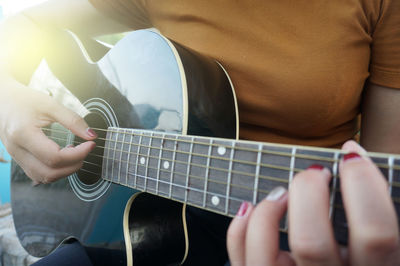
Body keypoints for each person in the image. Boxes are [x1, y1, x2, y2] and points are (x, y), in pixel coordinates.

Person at [0, 0, 399, 265]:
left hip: (295, 230)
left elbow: (385, 183)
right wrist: (7, 101)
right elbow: (23, 25)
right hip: (143, 225)